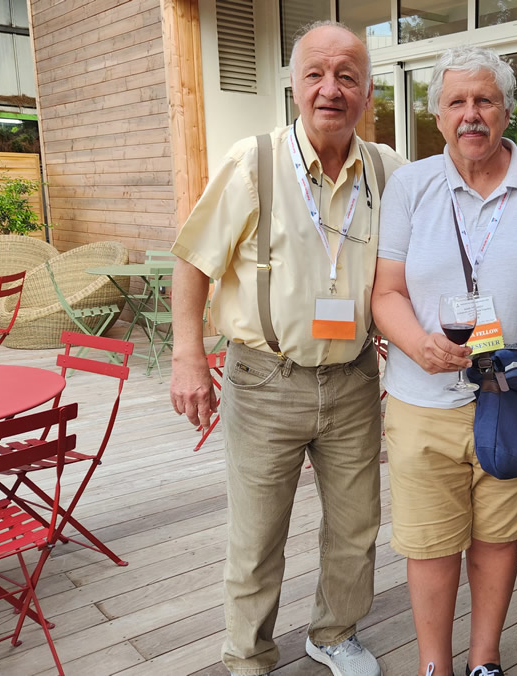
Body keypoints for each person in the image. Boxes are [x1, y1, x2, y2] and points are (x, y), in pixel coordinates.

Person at [168, 21, 403, 676]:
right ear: (294, 86)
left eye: (347, 76)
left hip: (355, 378)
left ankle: (334, 633)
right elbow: (191, 262)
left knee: (356, 526)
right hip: (264, 379)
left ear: (367, 92)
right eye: (315, 75)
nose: (331, 89)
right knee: (256, 535)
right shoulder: (255, 162)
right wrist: (188, 356)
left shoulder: (388, 169)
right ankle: (248, 656)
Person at [371, 46, 517, 676]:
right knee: (432, 547)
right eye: (456, 101)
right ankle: (434, 666)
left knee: (497, 539)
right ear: (437, 115)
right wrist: (418, 344)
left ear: (507, 111)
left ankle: (484, 661)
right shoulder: (411, 185)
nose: (471, 114)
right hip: (423, 402)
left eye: (485, 100)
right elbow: (385, 292)